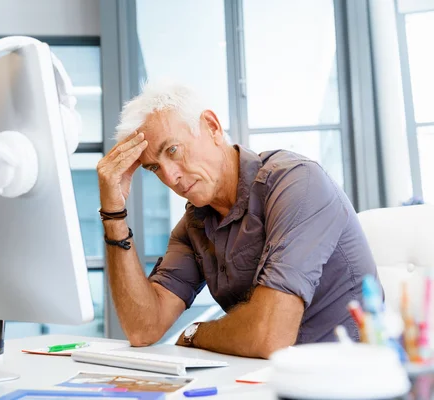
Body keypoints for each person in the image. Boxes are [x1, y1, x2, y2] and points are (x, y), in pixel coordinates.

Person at [96, 81, 380, 359]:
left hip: (347, 378)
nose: (170, 178)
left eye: (172, 150)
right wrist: (113, 214)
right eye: (154, 167)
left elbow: (270, 336)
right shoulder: (194, 225)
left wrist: (196, 334)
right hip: (262, 381)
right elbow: (143, 328)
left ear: (212, 126)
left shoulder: (297, 183)